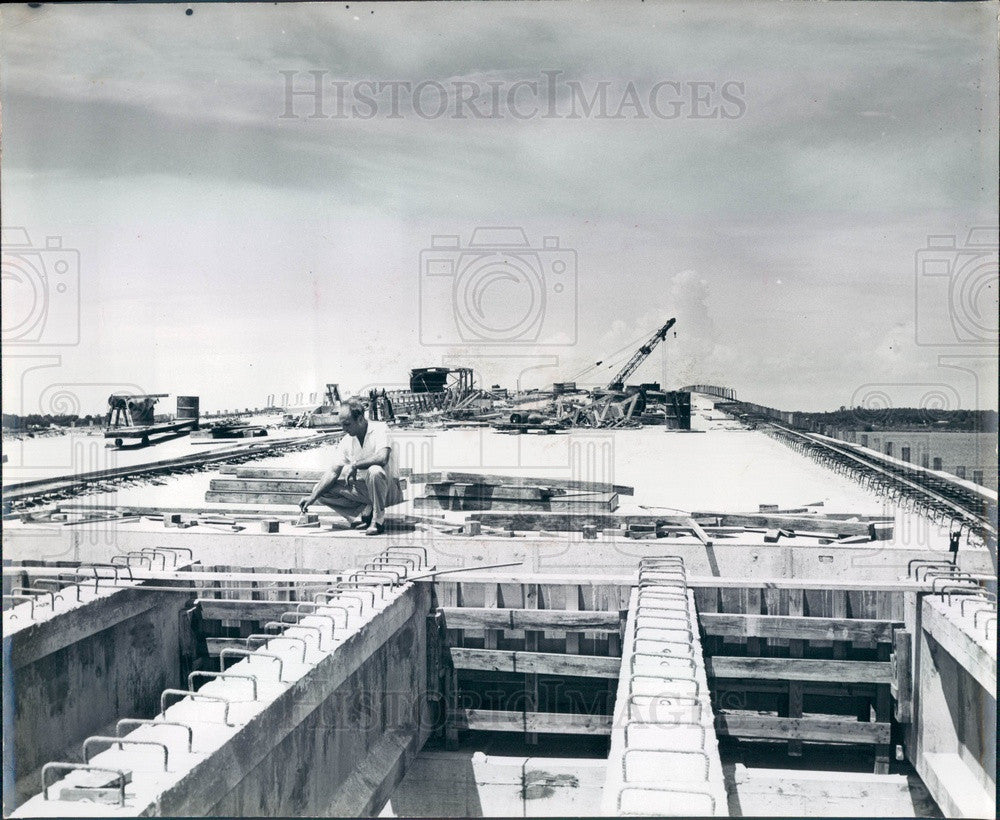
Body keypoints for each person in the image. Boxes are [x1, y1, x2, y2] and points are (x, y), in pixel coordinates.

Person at [298, 400, 402, 535]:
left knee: (374, 470)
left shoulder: (381, 429)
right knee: (319, 489)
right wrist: (312, 497)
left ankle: (378, 520)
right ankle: (364, 514)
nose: (344, 429)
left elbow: (382, 458)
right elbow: (333, 472)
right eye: (341, 425)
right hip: (367, 491)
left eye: (347, 424)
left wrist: (355, 464)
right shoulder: (347, 440)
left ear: (359, 419)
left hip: (389, 491)